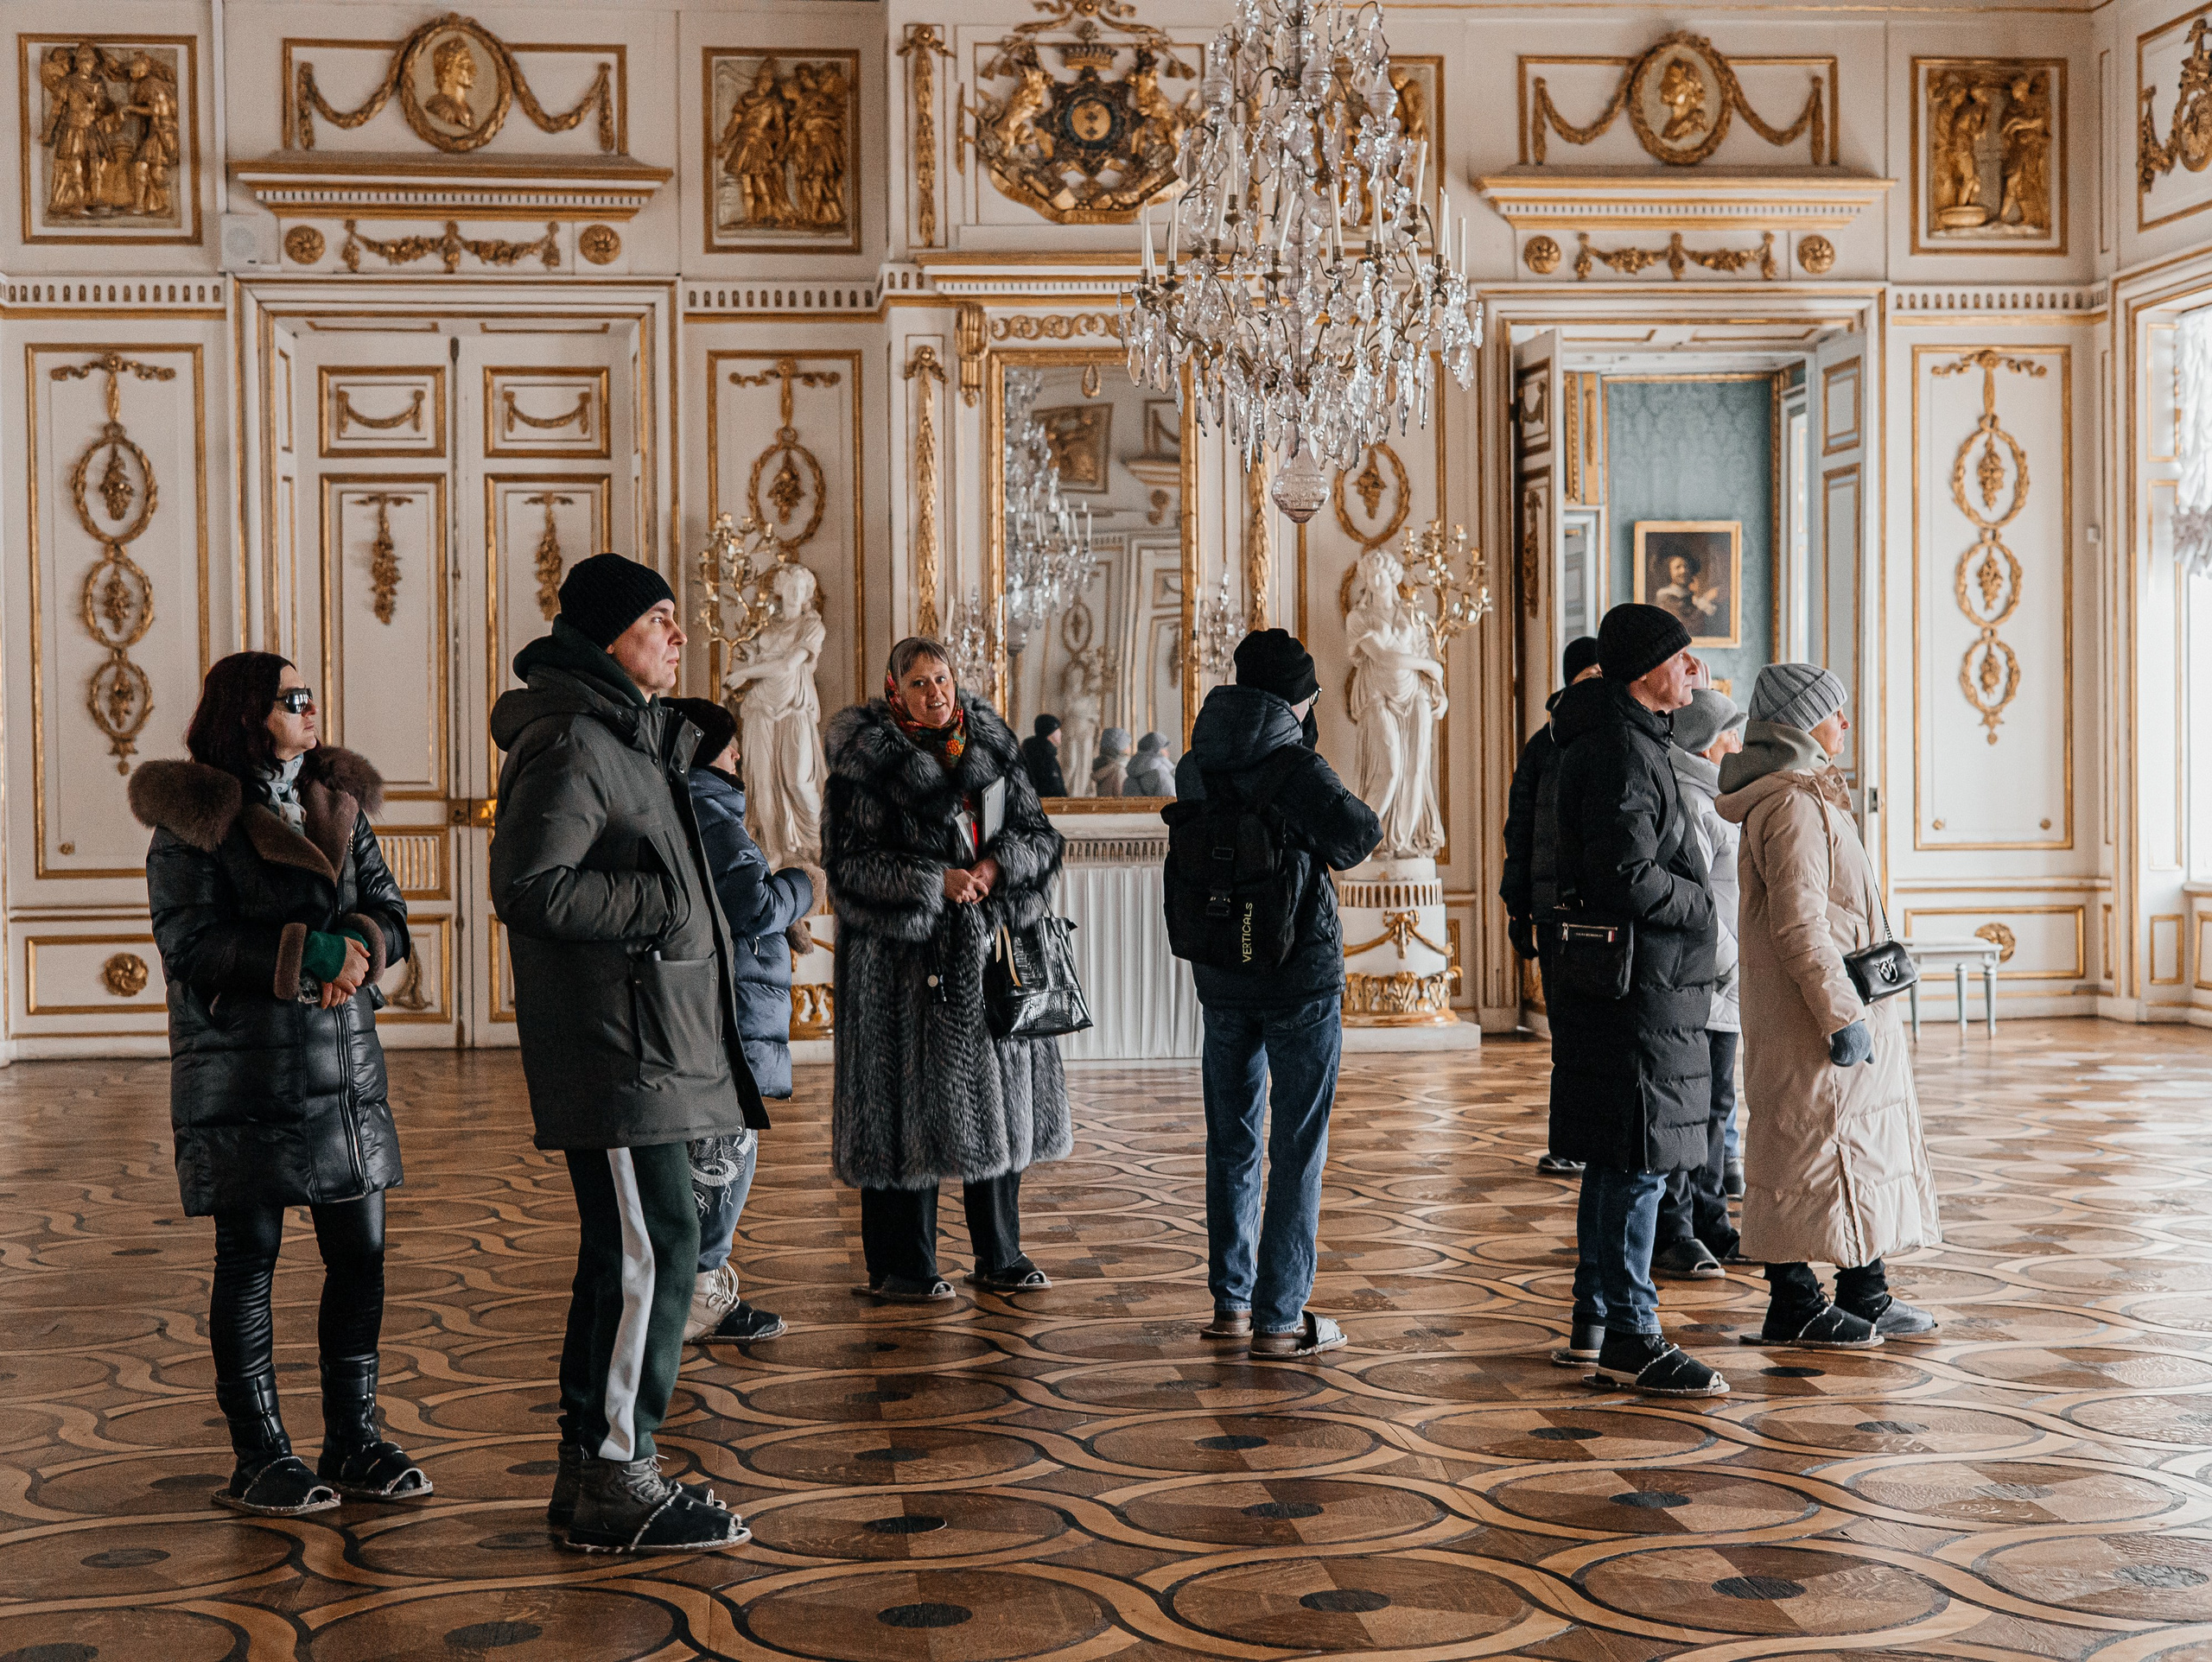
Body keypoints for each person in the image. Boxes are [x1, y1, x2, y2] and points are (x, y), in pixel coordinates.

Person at [489, 552, 758, 1556]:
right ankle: (619, 1474)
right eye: (659, 618)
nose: (679, 636)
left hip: (644, 1040)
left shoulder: (627, 737)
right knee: (657, 1247)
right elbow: (530, 885)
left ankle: (591, 1469)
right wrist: (662, 905)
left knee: (630, 1251)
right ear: (609, 636)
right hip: (616, 1046)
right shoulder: (572, 741)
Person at [131, 654, 423, 1516]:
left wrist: (362, 945)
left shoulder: (340, 803)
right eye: (293, 697)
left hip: (343, 1068)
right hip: (245, 1066)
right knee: (249, 1259)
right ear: (248, 712)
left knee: (360, 1253)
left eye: (310, 695)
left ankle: (355, 1438)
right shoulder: (196, 820)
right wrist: (308, 955)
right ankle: (260, 1455)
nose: (311, 708)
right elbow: (193, 947)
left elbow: (391, 909)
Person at [823, 638, 1071, 1300]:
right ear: (891, 690)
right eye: (918, 684)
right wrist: (937, 881)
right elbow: (849, 871)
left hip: (991, 957)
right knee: (904, 1120)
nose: (935, 694)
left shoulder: (991, 744)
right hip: (904, 970)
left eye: (942, 679)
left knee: (999, 1113)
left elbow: (1042, 838)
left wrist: (996, 868)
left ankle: (1001, 1254)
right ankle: (905, 1266)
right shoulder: (863, 763)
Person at [1717, 664, 1942, 1348]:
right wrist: (1840, 1014)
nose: (1845, 725)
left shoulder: (1811, 794)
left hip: (1838, 1003)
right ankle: (1792, 1301)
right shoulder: (1789, 804)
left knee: (1853, 1150)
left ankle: (1863, 1292)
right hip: (1813, 1012)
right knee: (1804, 1151)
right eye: (1835, 712)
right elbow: (1798, 923)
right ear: (1801, 721)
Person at [1172, 629, 1382, 1359]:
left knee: (1230, 1140)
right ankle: (1281, 1315)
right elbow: (1359, 837)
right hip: (1299, 976)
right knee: (1297, 1146)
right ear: (1299, 695)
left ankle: (1231, 1303)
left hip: (1222, 973)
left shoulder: (1195, 762)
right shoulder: (1295, 763)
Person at [1547, 604, 1727, 1398]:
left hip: (1633, 985)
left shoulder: (1623, 737)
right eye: (1682, 657)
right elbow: (1626, 872)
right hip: (1639, 989)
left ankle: (1599, 1322)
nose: (1695, 669)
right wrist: (1701, 905)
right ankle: (1632, 1332)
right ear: (1645, 670)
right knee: (1637, 1163)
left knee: (1618, 1160)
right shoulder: (1624, 748)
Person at [666, 696, 814, 1348]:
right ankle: (701, 1297)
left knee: (716, 1154)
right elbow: (754, 907)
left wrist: (786, 918)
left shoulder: (686, 803)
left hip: (712, 1012)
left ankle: (698, 1287)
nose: (739, 761)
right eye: (731, 749)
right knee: (725, 1158)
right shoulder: (711, 808)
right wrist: (802, 884)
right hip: (729, 1020)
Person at [1651, 689, 1749, 1281]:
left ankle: (1711, 1221)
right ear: (1709, 741)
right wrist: (1735, 963)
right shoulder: (1692, 802)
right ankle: (1676, 1229)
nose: (1738, 746)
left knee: (1715, 1109)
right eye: (1731, 735)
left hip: (1724, 988)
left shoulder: (1715, 799)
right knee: (1688, 1114)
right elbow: (1700, 906)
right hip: (1706, 983)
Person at [1500, 635, 1600, 1177]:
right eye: (1588, 676)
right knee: (1566, 1034)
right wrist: (1518, 908)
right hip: (1552, 908)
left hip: (1602, 908)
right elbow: (1521, 831)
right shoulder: (1545, 745)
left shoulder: (1616, 736)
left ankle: (1601, 1143)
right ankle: (1568, 1142)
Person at [1020, 713, 1068, 798]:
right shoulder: (1045, 759)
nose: (1060, 733)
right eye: (1057, 729)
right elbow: (1054, 791)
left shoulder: (1042, 753)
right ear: (1050, 733)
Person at [1123, 731, 1176, 797]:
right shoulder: (1161, 774)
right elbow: (1171, 801)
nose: (1167, 753)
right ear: (1157, 751)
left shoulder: (1130, 775)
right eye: (1165, 749)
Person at [1091, 727, 1132, 796]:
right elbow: (1124, 800)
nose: (1129, 747)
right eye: (1128, 744)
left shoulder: (1097, 765)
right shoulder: (1119, 771)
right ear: (1121, 747)